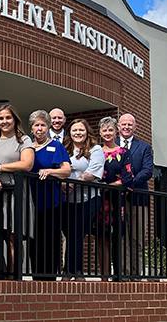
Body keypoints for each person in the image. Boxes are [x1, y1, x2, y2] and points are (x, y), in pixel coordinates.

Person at [0, 104, 34, 277]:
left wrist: (1, 167)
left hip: (15, 194)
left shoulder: (23, 140)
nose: (4, 121)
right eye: (0, 118)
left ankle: (12, 277)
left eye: (8, 117)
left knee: (13, 238)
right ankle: (2, 270)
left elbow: (27, 164)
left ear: (15, 119)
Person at [28, 110, 71, 280]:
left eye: (42, 125)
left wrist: (50, 171)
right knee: (34, 240)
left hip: (51, 201)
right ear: (31, 128)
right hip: (31, 201)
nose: (39, 128)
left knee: (50, 240)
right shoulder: (28, 148)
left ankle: (50, 277)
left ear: (48, 127)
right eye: (36, 125)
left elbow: (66, 170)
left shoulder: (56, 146)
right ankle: (35, 276)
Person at [62, 119, 104, 278]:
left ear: (87, 132)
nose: (78, 133)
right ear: (70, 133)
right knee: (70, 234)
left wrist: (73, 183)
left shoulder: (95, 149)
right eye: (74, 130)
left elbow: (92, 173)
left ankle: (76, 271)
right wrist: (63, 185)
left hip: (89, 198)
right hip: (68, 199)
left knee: (78, 233)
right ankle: (69, 270)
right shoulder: (65, 149)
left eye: (81, 130)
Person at [117, 113, 153, 277]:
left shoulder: (144, 147)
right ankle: (123, 274)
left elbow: (147, 170)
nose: (126, 127)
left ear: (135, 127)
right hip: (116, 199)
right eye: (123, 124)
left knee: (137, 238)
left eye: (130, 124)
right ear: (118, 126)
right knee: (121, 237)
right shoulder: (112, 145)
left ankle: (136, 275)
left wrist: (130, 183)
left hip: (138, 197)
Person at [98, 116, 133, 277]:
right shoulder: (96, 151)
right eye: (104, 130)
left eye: (110, 130)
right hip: (98, 200)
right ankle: (104, 275)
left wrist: (109, 186)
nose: (107, 133)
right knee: (101, 237)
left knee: (117, 237)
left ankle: (118, 275)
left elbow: (127, 178)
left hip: (117, 200)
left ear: (116, 131)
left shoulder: (124, 152)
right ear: (100, 132)